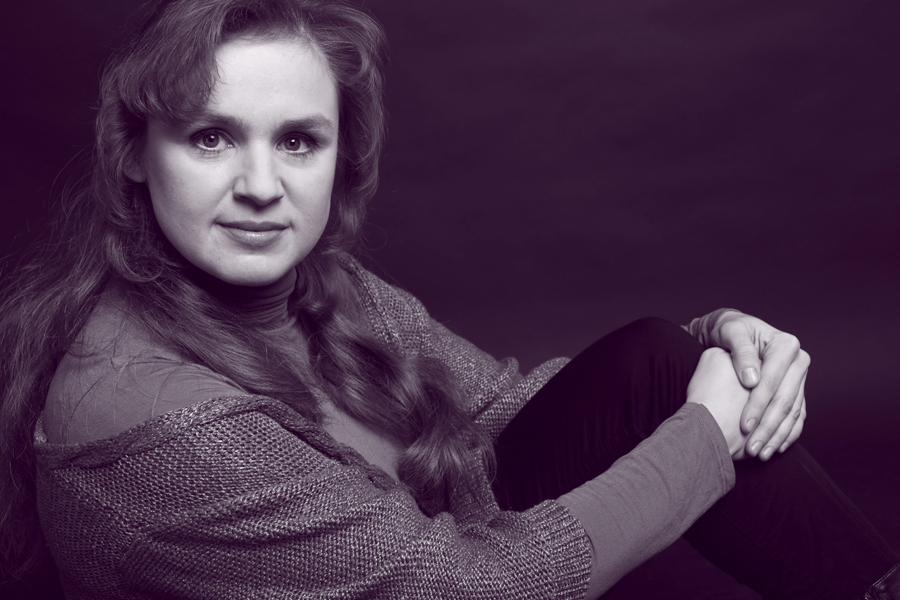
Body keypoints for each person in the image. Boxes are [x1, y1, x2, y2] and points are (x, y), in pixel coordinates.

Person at [0, 0, 897, 598]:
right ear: (133, 152)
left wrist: (717, 350)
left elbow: (501, 411)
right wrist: (705, 433)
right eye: (211, 138)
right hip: (457, 585)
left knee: (657, 362)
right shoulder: (155, 425)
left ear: (339, 156)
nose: (262, 186)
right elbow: (470, 590)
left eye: (299, 142)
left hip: (440, 563)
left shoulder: (325, 289)